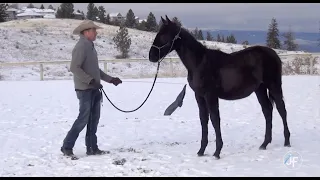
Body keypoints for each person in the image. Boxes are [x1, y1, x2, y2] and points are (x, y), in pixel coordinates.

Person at [61, 20, 122, 156]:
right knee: (83, 119)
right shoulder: (81, 46)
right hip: (84, 90)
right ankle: (67, 146)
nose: (96, 33)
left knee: (93, 119)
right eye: (93, 30)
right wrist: (90, 81)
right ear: (86, 32)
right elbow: (74, 68)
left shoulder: (90, 46)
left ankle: (92, 148)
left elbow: (95, 70)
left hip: (93, 89)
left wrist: (111, 79)